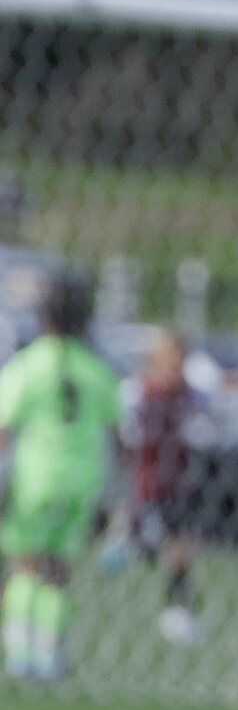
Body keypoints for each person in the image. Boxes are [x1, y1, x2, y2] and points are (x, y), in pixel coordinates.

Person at [0, 273, 122, 680]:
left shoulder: (29, 363)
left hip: (35, 478)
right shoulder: (96, 368)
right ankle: (51, 654)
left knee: (25, 564)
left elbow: (4, 426)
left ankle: (21, 653)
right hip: (81, 480)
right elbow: (118, 431)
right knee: (58, 569)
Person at [125, 328, 204, 643]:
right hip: (147, 482)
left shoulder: (186, 394)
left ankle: (178, 605)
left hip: (176, 481)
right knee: (141, 544)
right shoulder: (143, 392)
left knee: (180, 545)